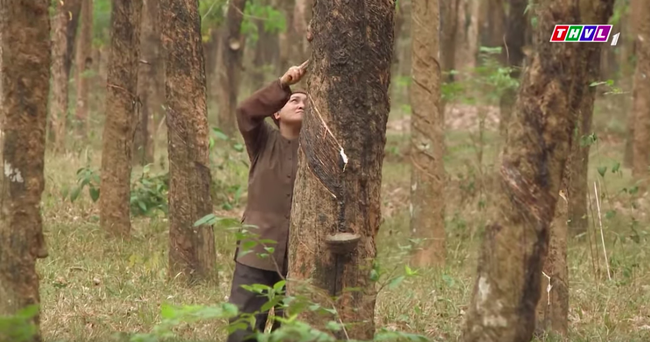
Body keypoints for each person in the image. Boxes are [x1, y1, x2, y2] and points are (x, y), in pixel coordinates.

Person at [226, 63, 308, 342]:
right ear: (276, 112)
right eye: (294, 101)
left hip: (299, 261)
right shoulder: (262, 141)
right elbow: (245, 112)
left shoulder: (316, 154)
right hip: (256, 254)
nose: (301, 104)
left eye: (307, 102)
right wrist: (284, 84)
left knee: (289, 335)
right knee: (243, 331)